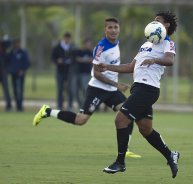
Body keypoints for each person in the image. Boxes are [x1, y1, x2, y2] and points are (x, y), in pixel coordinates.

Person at [33, 18, 141, 158]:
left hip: (111, 90)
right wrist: (117, 85)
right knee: (80, 120)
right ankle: (47, 111)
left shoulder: (116, 43)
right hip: (97, 89)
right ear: (105, 30)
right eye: (110, 27)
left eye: (116, 27)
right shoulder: (101, 48)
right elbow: (96, 73)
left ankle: (125, 149)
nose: (113, 30)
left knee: (128, 113)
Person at [100, 11, 180, 178]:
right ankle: (170, 155)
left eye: (158, 20)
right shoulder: (146, 44)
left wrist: (154, 60)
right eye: (153, 20)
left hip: (148, 89)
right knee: (145, 129)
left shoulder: (167, 43)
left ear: (166, 25)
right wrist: (108, 67)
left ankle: (120, 163)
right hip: (138, 88)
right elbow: (130, 67)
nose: (154, 22)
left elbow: (170, 60)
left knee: (120, 119)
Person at [51, 32, 75, 110]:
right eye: (66, 38)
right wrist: (57, 61)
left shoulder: (72, 47)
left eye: (69, 38)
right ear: (64, 38)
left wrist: (71, 61)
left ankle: (70, 105)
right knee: (60, 88)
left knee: (70, 89)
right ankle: (60, 105)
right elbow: (52, 58)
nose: (67, 40)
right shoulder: (57, 47)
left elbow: (75, 58)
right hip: (60, 70)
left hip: (69, 71)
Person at [7, 38, 30, 111]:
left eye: (18, 43)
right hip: (13, 74)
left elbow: (27, 63)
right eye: (15, 43)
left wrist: (23, 70)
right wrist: (10, 71)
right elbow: (8, 63)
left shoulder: (23, 52)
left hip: (20, 74)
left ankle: (20, 106)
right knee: (15, 90)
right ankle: (17, 105)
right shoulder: (11, 53)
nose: (17, 45)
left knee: (20, 90)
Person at [74, 38, 93, 108]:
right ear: (84, 44)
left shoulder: (90, 52)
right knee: (76, 90)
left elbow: (92, 60)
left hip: (86, 73)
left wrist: (82, 60)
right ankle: (80, 104)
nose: (89, 46)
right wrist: (85, 60)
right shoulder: (79, 51)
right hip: (78, 73)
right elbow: (77, 59)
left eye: (89, 44)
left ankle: (84, 105)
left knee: (85, 89)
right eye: (88, 44)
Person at [0, 36, 12, 111]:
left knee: (6, 90)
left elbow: (8, 61)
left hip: (3, 72)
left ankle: (9, 106)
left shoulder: (5, 51)